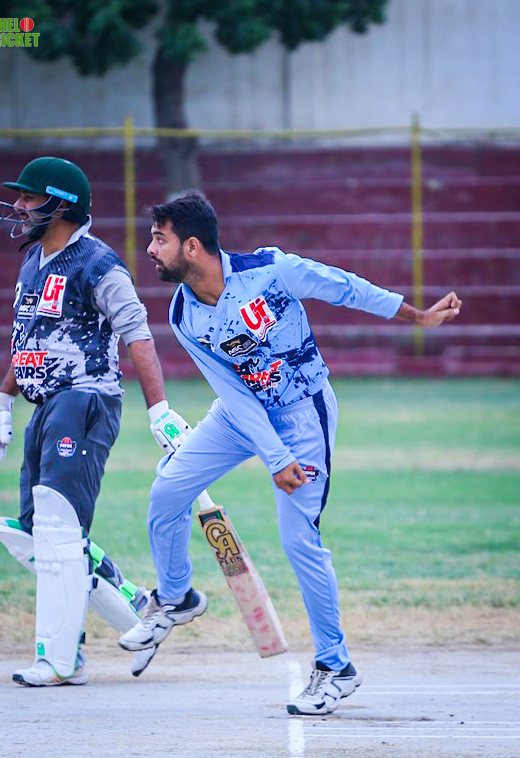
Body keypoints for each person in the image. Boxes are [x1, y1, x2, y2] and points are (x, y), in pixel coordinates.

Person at [118, 192, 462, 715]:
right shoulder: (183, 313)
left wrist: (414, 314)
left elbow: (343, 287)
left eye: (158, 239)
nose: (150, 249)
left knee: (299, 540)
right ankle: (176, 597)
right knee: (169, 488)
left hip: (304, 415)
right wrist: (272, 455)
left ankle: (336, 667)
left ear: (191, 247)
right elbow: (233, 393)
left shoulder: (270, 271)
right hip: (239, 416)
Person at [0, 156, 191, 687]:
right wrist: (2, 400)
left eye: (29, 197)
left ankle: (60, 659)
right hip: (46, 405)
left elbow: (137, 333)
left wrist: (159, 410)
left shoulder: (98, 264)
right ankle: (134, 603)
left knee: (57, 528)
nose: (19, 206)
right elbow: (29, 341)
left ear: (62, 205)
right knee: (33, 533)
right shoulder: (33, 262)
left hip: (86, 401)